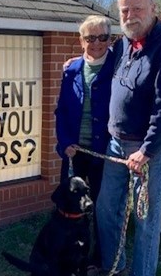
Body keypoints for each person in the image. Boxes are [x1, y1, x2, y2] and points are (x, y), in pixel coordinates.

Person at [95, 0, 161, 276]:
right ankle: (114, 267)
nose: (130, 15)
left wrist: (147, 150)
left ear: (153, 8)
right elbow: (103, 61)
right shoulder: (125, 42)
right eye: (124, 10)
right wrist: (80, 63)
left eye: (137, 8)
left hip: (149, 149)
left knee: (145, 219)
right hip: (116, 143)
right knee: (106, 208)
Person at [55, 15, 116, 272]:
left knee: (102, 207)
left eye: (103, 37)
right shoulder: (71, 70)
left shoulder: (119, 65)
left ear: (110, 39)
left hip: (104, 152)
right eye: (90, 38)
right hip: (75, 150)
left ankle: (97, 259)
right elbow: (62, 111)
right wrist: (65, 143)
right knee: (68, 204)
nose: (97, 43)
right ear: (81, 41)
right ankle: (66, 251)